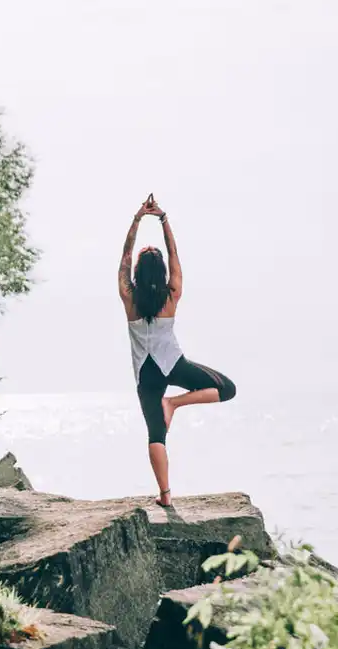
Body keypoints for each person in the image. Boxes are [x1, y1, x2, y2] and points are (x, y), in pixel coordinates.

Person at [118, 194, 236, 507]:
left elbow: (125, 258)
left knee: (156, 434)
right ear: (161, 274)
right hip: (173, 364)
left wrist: (137, 221)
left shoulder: (128, 296)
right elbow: (174, 256)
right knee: (227, 389)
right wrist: (163, 220)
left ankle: (166, 495)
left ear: (139, 272)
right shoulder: (172, 294)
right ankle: (175, 403)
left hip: (147, 374)